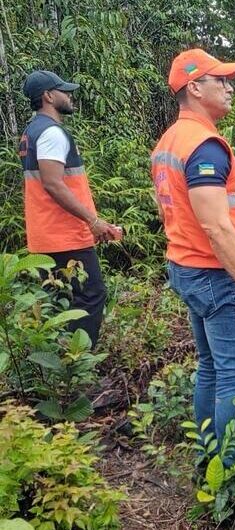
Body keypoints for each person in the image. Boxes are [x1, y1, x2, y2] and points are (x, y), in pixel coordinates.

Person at [151, 49, 235, 463]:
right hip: (217, 275)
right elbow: (216, 226)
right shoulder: (205, 147)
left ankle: (209, 458)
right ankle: (232, 474)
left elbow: (168, 210)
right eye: (221, 80)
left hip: (187, 267)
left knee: (211, 367)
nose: (229, 87)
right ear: (195, 88)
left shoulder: (169, 141)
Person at [19, 70, 121, 348]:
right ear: (48, 96)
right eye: (63, 91)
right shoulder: (51, 132)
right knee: (90, 296)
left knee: (61, 301)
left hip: (45, 234)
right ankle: (77, 362)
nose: (69, 95)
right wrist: (92, 221)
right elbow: (53, 184)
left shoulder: (31, 132)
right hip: (64, 236)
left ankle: (59, 363)